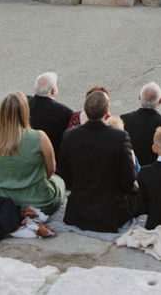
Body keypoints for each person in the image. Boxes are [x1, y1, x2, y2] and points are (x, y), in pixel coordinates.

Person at [59, 89, 137, 232]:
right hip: (108, 213)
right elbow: (129, 178)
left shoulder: (69, 135)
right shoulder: (119, 137)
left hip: (77, 210)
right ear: (107, 111)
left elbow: (65, 175)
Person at [0, 92, 66, 215]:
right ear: (25, 112)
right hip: (39, 202)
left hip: (1, 200)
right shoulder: (40, 137)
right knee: (59, 181)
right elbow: (51, 169)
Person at [121, 82, 161, 167]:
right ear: (160, 101)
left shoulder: (124, 119)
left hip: (129, 169)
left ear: (140, 98)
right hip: (155, 174)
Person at [27, 72, 73, 158]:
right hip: (52, 156)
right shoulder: (65, 112)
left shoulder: (24, 103)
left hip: (26, 152)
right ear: (53, 91)